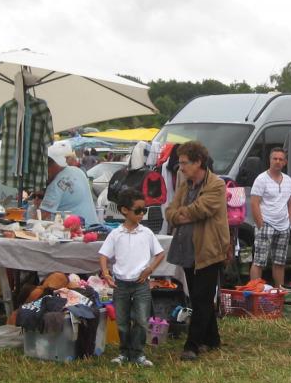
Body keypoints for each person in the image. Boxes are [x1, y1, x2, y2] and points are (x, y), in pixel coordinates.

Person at [165, 141, 231, 362]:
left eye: (184, 163)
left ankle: (192, 345)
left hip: (208, 250)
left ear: (198, 162)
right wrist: (180, 214)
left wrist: (181, 214)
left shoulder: (216, 185)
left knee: (202, 298)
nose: (180, 167)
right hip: (186, 249)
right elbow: (170, 212)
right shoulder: (185, 184)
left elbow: (200, 210)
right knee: (197, 295)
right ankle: (212, 339)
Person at [98, 188, 166, 367]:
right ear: (124, 210)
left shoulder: (146, 233)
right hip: (121, 283)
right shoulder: (116, 234)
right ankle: (124, 352)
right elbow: (103, 255)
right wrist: (106, 274)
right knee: (122, 321)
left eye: (144, 210)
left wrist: (149, 269)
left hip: (141, 283)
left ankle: (138, 352)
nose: (142, 214)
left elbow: (160, 254)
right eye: (138, 211)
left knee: (141, 321)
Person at [249, 147, 291, 288]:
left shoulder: (288, 180)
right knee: (259, 261)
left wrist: (289, 223)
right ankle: (255, 292)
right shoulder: (261, 179)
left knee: (280, 262)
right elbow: (254, 202)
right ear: (270, 160)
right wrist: (260, 224)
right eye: (275, 158)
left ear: (285, 162)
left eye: (280, 159)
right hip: (266, 224)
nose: (277, 161)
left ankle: (278, 293)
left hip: (283, 226)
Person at [41, 144, 100, 225]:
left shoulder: (55, 186)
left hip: (76, 231)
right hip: (93, 225)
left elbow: (42, 216)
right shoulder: (78, 171)